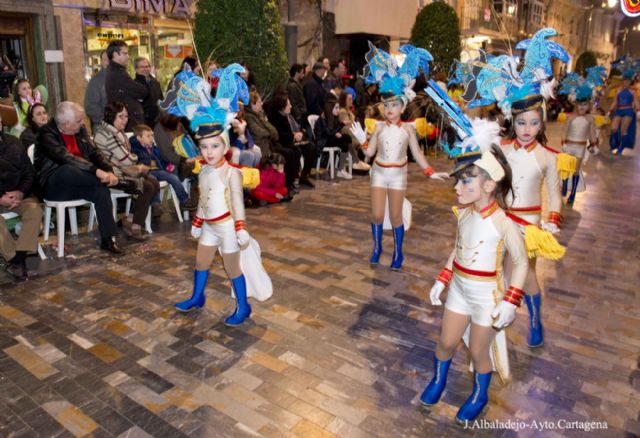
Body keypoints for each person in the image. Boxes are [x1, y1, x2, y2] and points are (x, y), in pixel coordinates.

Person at [422, 115, 528, 422]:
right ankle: (439, 379)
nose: (457, 186)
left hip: (487, 297)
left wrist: (511, 301)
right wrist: (443, 279)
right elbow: (457, 249)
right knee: (445, 342)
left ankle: (480, 393)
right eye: (457, 180)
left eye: (465, 180)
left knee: (479, 352)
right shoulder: (465, 213)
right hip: (459, 290)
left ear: (489, 185)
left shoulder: (504, 223)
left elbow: (521, 261)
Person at [173, 63, 272, 326]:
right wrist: (197, 222)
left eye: (215, 146)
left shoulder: (232, 173)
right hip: (209, 226)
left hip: (228, 226)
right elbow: (205, 199)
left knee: (232, 268)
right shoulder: (204, 170)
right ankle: (197, 296)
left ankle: (244, 306)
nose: (208, 151)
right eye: (204, 146)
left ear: (225, 145)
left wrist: (240, 227)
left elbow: (238, 204)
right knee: (201, 262)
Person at [350, 43, 448, 270]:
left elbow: (417, 153)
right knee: (376, 214)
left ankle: (398, 252)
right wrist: (361, 140)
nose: (389, 109)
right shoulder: (380, 128)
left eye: (394, 105)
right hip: (379, 173)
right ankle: (376, 248)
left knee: (395, 216)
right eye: (386, 105)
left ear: (403, 107)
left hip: (397, 175)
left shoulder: (408, 130)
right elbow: (370, 153)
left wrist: (430, 172)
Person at [35, 102, 124, 254]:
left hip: (81, 181)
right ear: (65, 123)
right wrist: (98, 173)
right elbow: (66, 158)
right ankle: (124, 184)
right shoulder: (46, 133)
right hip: (54, 185)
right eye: (78, 121)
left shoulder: (79, 130)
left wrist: (109, 171)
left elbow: (95, 153)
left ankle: (108, 240)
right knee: (69, 169)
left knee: (101, 191)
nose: (82, 123)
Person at [92, 101, 161, 241]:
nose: (125, 120)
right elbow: (127, 159)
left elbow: (125, 158)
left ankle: (129, 219)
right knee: (146, 186)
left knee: (153, 181)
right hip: (111, 176)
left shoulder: (116, 132)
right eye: (121, 116)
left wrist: (131, 161)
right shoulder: (105, 134)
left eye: (126, 116)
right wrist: (134, 159)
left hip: (123, 171)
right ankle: (135, 226)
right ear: (111, 117)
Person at [0, 113, 43, 280]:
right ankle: (14, 258)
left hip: (18, 195)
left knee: (34, 210)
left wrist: (21, 192)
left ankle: (20, 255)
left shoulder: (14, 142)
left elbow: (29, 173)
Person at [129, 123, 197, 212]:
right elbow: (134, 159)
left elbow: (161, 158)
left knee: (174, 178)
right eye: (148, 136)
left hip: (158, 170)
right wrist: (144, 148)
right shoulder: (135, 148)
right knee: (153, 181)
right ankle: (156, 204)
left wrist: (168, 166)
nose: (151, 138)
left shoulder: (154, 148)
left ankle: (185, 200)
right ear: (139, 138)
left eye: (152, 136)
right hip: (145, 172)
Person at [265, 91, 317, 188]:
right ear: (282, 106)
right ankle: (292, 179)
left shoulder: (288, 115)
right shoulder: (276, 118)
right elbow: (280, 136)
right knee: (294, 151)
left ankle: (304, 175)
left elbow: (294, 129)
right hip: (283, 143)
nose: (291, 106)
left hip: (292, 140)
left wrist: (299, 134)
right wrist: (294, 136)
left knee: (311, 147)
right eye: (288, 105)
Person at [560, 84, 598, 205]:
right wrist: (563, 142)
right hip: (568, 146)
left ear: (589, 105)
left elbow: (592, 133)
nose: (582, 107)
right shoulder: (570, 118)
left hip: (580, 147)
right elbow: (564, 131)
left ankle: (573, 193)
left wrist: (593, 144)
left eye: (585, 104)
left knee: (576, 170)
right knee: (566, 168)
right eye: (580, 104)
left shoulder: (590, 119)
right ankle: (565, 185)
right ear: (575, 104)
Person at [105, 40, 149, 131]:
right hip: (128, 123)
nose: (128, 57)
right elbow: (142, 91)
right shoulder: (117, 73)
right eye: (125, 53)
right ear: (115, 54)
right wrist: (141, 79)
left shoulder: (117, 71)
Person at [338, 91, 370, 171]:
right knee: (349, 129)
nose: (351, 101)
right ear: (344, 100)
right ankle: (358, 158)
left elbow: (352, 123)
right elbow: (345, 124)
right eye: (349, 99)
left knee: (363, 131)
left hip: (351, 134)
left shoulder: (351, 113)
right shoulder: (342, 111)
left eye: (352, 99)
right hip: (343, 133)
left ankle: (361, 157)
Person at [609, 70, 638, 155]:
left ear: (630, 82)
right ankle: (616, 143)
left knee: (623, 130)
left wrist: (639, 111)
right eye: (625, 80)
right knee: (613, 128)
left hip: (628, 111)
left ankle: (621, 147)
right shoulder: (618, 91)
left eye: (628, 81)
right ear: (622, 81)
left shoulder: (633, 92)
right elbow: (615, 102)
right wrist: (609, 111)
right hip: (619, 110)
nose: (626, 82)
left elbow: (636, 102)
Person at [134, 57, 163, 127]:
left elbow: (161, 99)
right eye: (141, 67)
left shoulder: (155, 82)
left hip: (158, 121)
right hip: (144, 122)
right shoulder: (134, 84)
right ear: (136, 69)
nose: (145, 69)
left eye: (147, 66)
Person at [84, 51, 109, 132]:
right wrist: (106, 121)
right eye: (106, 59)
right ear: (101, 62)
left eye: (111, 59)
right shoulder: (96, 81)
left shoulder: (120, 78)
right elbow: (90, 106)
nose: (109, 62)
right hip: (103, 128)